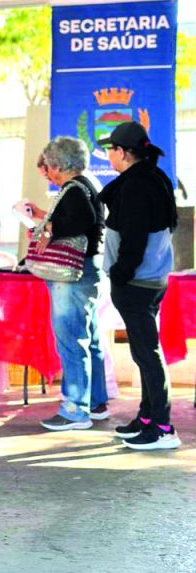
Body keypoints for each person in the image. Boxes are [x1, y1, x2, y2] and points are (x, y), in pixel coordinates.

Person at [97, 121, 180, 450]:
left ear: (123, 153)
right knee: (146, 352)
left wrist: (119, 273)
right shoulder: (154, 177)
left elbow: (133, 237)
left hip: (137, 280)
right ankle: (147, 417)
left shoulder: (135, 186)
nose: (108, 155)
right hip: (152, 278)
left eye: (111, 150)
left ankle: (162, 427)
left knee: (147, 354)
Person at [27, 136, 108, 431]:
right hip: (88, 270)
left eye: (48, 166)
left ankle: (75, 408)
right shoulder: (88, 186)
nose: (47, 172)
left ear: (59, 165)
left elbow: (80, 221)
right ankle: (96, 400)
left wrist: (47, 228)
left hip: (70, 275)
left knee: (71, 340)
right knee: (90, 338)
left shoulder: (73, 190)